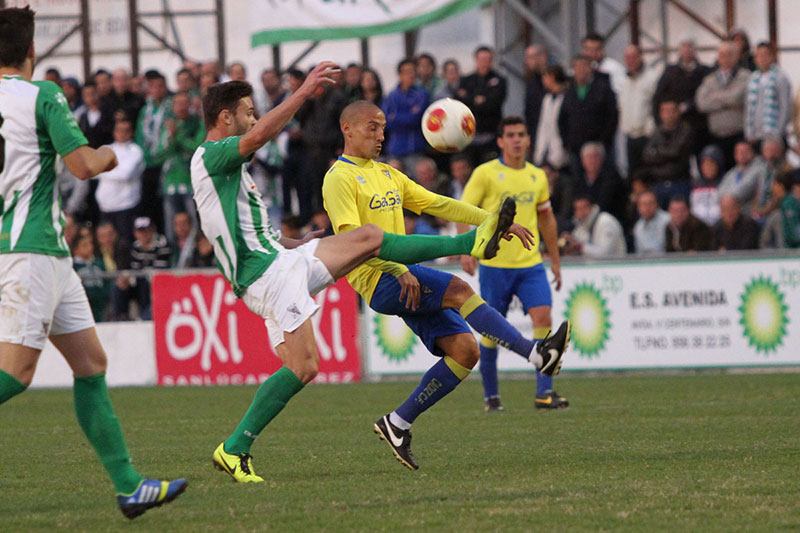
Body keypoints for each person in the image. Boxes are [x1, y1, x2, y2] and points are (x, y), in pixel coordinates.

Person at [192, 72, 549, 481]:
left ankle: (240, 447)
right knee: (368, 253)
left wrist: (299, 243)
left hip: (282, 260)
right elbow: (257, 142)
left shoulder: (234, 173)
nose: (254, 122)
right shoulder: (212, 156)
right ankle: (475, 251)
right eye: (248, 114)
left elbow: (256, 235)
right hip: (270, 275)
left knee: (308, 364)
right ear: (224, 118)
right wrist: (304, 91)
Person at [0, 6, 186, 518]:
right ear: (31, 52)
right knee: (15, 374)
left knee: (90, 364)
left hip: (42, 251)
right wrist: (111, 154)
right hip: (29, 248)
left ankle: (129, 486)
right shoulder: (41, 95)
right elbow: (82, 166)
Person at [322, 101, 569, 464]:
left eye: (383, 128)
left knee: (465, 351)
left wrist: (494, 221)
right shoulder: (339, 178)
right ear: (348, 130)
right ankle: (536, 354)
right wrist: (397, 270)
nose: (381, 135)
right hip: (379, 278)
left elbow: (438, 203)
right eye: (372, 128)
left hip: (401, 275)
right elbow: (352, 246)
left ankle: (397, 422)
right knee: (459, 289)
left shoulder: (387, 173)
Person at [459, 116, 570, 411]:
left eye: (521, 134)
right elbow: (462, 210)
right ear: (500, 141)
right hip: (495, 266)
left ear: (529, 139)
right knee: (491, 332)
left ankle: (544, 393)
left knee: (543, 318)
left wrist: (555, 261)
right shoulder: (485, 174)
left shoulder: (538, 176)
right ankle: (492, 398)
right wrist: (466, 248)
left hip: (530, 264)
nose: (516, 140)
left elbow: (546, 217)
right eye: (510, 135)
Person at [558, 55, 618, 179]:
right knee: (577, 179)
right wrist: (566, 142)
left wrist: (603, 140)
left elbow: (612, 116)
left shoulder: (602, 88)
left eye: (583, 67)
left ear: (590, 69)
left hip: (598, 145)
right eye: (577, 67)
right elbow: (562, 118)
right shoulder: (569, 91)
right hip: (575, 147)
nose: (580, 71)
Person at [155, 91, 204, 243]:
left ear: (190, 105)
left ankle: (194, 259)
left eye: (185, 103)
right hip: (170, 183)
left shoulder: (198, 124)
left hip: (191, 183)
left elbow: (198, 148)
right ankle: (173, 260)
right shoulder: (167, 125)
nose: (181, 107)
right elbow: (157, 155)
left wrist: (177, 137)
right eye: (178, 103)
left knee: (195, 225)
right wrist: (171, 140)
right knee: (171, 228)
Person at [695, 41, 750, 170]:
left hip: (738, 134)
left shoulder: (746, 76)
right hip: (716, 136)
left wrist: (715, 97)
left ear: (737, 56)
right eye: (722, 55)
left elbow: (737, 98)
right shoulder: (710, 80)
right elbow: (701, 103)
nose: (725, 58)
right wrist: (727, 100)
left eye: (729, 54)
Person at [652, 39, 711, 154]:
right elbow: (658, 97)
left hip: (699, 127)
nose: (687, 50)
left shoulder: (705, 72)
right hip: (675, 129)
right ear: (679, 50)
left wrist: (689, 106)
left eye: (690, 46)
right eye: (684, 46)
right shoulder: (670, 72)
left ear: (695, 50)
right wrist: (660, 122)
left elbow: (709, 96)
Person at [94, 118, 145, 245]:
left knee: (124, 244)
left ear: (131, 132)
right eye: (119, 130)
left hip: (125, 205)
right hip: (105, 206)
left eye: (125, 130)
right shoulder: (106, 148)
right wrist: (110, 169)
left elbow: (125, 174)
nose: (122, 133)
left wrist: (104, 169)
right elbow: (92, 171)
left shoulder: (136, 151)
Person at [639, 100, 694, 208]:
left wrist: (657, 153)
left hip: (679, 181)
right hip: (659, 182)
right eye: (665, 111)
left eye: (672, 111)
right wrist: (667, 153)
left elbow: (675, 152)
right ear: (661, 114)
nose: (669, 115)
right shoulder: (657, 132)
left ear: (678, 112)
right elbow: (646, 156)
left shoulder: (685, 129)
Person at [457, 46, 507, 163]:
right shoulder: (467, 80)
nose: (485, 63)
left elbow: (493, 104)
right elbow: (460, 103)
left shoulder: (499, 80)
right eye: (482, 59)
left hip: (490, 136)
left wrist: (470, 98)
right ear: (476, 60)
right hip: (469, 137)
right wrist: (478, 99)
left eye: (488, 59)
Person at [620, 44, 661, 176]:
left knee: (647, 173)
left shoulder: (652, 77)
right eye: (627, 58)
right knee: (633, 174)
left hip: (646, 135)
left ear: (640, 57)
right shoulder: (624, 80)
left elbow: (655, 106)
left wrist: (650, 128)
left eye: (633, 57)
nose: (630, 61)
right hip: (630, 135)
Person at [381, 58, 428, 169]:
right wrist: (408, 115)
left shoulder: (422, 94)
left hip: (415, 150)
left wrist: (395, 117)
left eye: (413, 71)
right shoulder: (391, 96)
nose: (411, 75)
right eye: (407, 72)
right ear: (400, 75)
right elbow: (384, 122)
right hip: (395, 151)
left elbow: (416, 119)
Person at [744, 42, 792, 147]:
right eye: (759, 55)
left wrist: (778, 132)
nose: (762, 58)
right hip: (755, 134)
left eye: (765, 55)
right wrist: (749, 132)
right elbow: (748, 108)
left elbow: (785, 106)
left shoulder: (781, 78)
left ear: (772, 57)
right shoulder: (753, 79)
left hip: (773, 134)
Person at [562, 195, 626, 258]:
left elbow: (605, 254)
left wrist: (579, 246)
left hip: (616, 266)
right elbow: (579, 246)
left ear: (592, 207)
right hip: (592, 267)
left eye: (584, 207)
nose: (581, 212)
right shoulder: (581, 227)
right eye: (577, 209)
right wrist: (570, 245)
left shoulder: (606, 222)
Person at [533, 64, 568, 171]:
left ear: (552, 77)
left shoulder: (567, 97)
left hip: (562, 149)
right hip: (546, 149)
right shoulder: (547, 99)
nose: (543, 80)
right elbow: (543, 126)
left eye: (545, 77)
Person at [72, 231, 111, 321]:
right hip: (84, 301)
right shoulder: (73, 266)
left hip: (100, 300)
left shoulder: (99, 263)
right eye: (84, 245)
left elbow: (106, 280)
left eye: (90, 244)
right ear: (76, 250)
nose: (89, 247)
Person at [717, 140, 765, 214]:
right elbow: (719, 192)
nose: (742, 155)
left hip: (750, 211)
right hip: (732, 208)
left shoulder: (759, 168)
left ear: (752, 152)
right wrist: (726, 198)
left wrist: (728, 198)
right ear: (735, 155)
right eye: (739, 152)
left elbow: (743, 190)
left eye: (745, 151)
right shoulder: (733, 171)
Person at [691, 145, 725, 226]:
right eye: (705, 164)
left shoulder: (725, 183)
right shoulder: (695, 185)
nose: (708, 167)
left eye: (711, 164)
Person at [524, 44, 548, 147]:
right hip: (536, 135)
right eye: (527, 58)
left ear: (543, 58)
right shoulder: (531, 82)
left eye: (531, 57)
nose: (528, 61)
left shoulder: (551, 80)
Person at [633, 190, 670, 255]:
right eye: (644, 204)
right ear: (638, 207)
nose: (647, 207)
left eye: (651, 203)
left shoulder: (668, 220)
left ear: (657, 204)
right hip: (646, 263)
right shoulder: (638, 227)